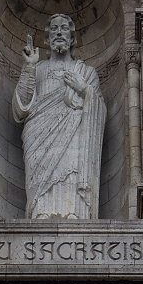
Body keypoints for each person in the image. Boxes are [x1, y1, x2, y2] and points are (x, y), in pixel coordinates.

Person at [13, 14, 106, 220]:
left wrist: (84, 90)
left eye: (64, 28)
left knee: (70, 168)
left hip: (74, 132)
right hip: (39, 134)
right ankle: (40, 212)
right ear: (47, 39)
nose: (59, 33)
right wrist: (28, 67)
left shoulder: (86, 72)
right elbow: (22, 107)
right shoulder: (38, 68)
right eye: (54, 29)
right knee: (41, 172)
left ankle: (74, 211)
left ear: (72, 38)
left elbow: (99, 110)